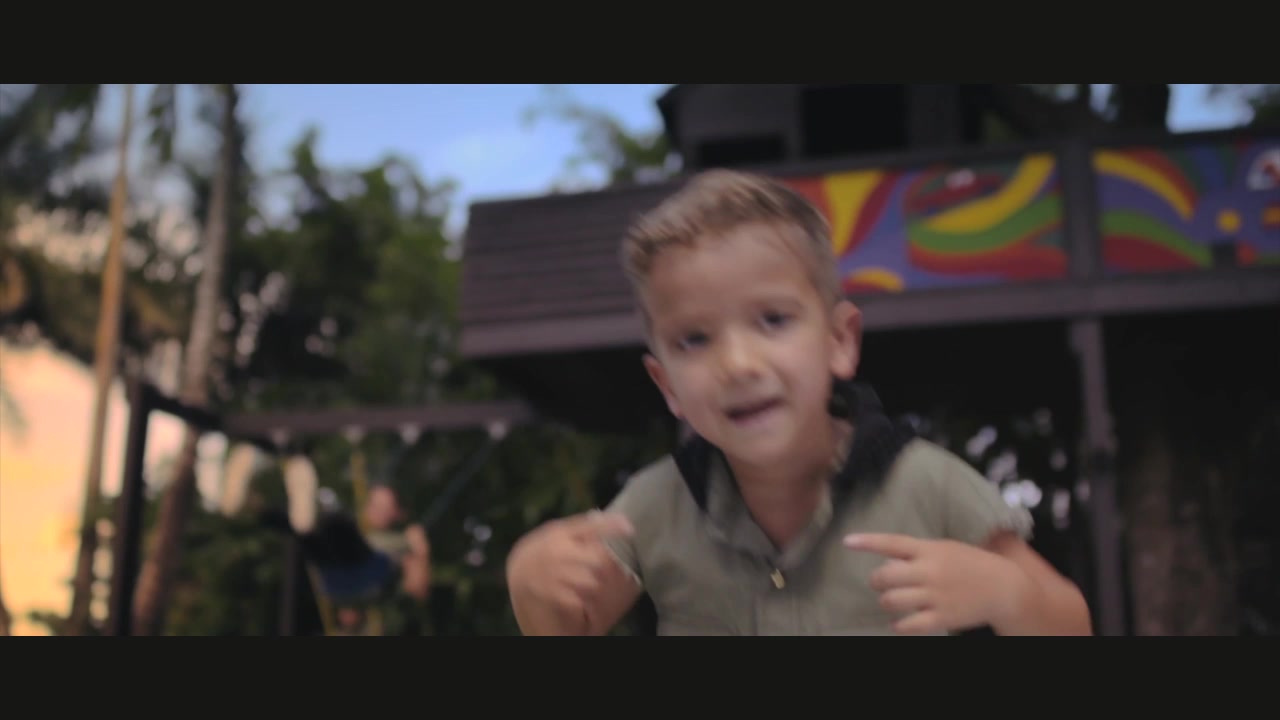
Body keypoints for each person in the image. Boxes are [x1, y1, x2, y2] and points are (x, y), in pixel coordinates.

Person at [504, 169, 1093, 636]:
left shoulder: (924, 484)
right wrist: (532, 585)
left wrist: (1007, 594)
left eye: (773, 320)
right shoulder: (655, 506)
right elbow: (574, 627)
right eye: (695, 340)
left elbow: (1071, 624)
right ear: (668, 386)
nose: (738, 364)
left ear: (839, 342)